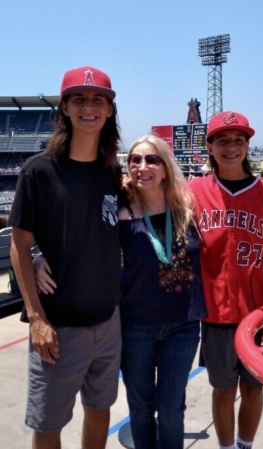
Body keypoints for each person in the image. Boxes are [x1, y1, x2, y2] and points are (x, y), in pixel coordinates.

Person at [34, 134, 207, 449]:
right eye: (135, 160)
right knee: (140, 409)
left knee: (170, 410)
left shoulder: (189, 207)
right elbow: (77, 233)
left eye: (152, 159)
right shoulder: (120, 212)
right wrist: (39, 256)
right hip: (135, 326)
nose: (143, 167)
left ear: (166, 167)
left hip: (182, 327)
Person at [8, 66, 122, 449]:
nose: (88, 107)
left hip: (108, 322)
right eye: (79, 99)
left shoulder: (113, 173)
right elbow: (19, 244)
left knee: (100, 410)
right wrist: (37, 317)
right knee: (49, 424)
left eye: (97, 100)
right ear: (65, 109)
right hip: (57, 328)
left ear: (109, 111)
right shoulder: (38, 171)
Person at [189, 111, 263, 449]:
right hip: (216, 315)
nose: (231, 147)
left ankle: (245, 446)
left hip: (260, 314)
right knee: (223, 390)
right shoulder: (192, 191)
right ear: (209, 146)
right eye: (222, 140)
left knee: (254, 388)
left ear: (248, 146)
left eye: (239, 140)